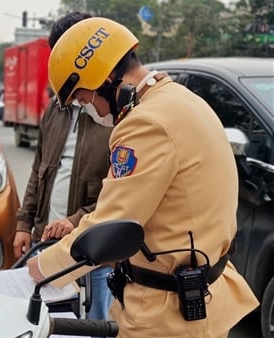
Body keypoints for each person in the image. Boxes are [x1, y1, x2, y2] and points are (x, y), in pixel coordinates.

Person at [26, 16, 259, 337]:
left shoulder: (145, 124)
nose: (88, 108)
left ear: (105, 77)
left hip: (164, 313)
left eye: (83, 98)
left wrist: (42, 268)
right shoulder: (184, 100)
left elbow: (108, 226)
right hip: (204, 292)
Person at [13, 11, 114, 328]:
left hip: (93, 253)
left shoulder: (114, 113)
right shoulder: (55, 108)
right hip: (45, 244)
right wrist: (24, 222)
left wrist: (74, 222)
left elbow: (121, 192)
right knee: (41, 325)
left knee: (91, 327)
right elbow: (38, 170)